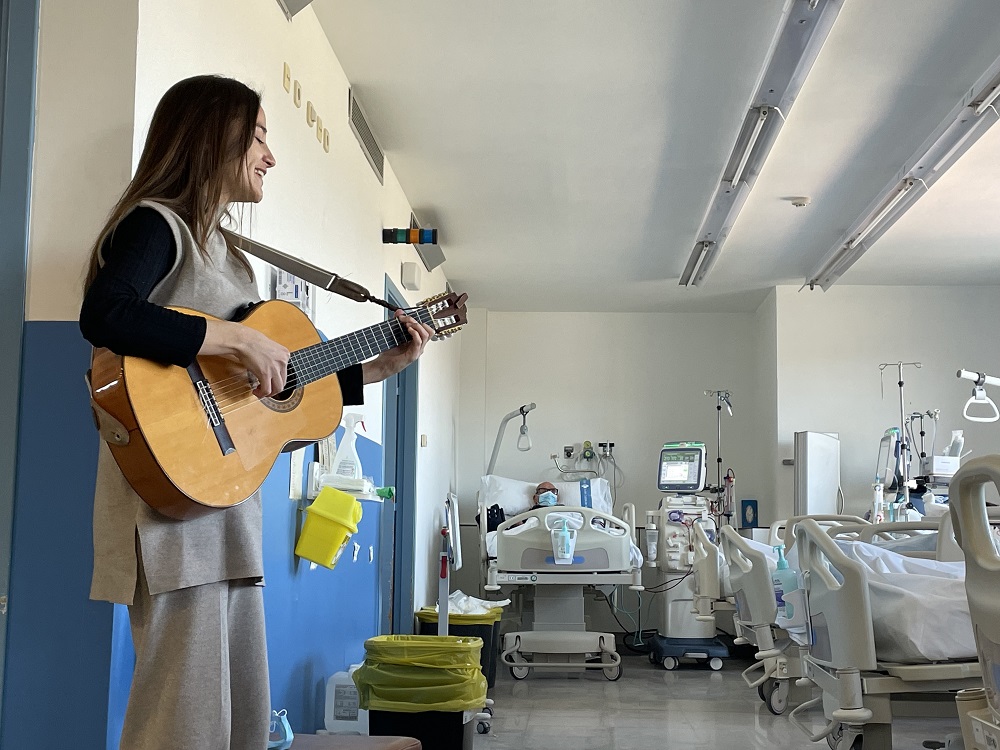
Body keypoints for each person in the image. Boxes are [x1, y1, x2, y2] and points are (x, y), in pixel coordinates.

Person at [78, 75, 435, 750]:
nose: (270, 156)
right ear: (212, 135)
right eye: (261, 135)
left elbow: (264, 406)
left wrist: (375, 370)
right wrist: (237, 336)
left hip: (227, 510)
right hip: (171, 510)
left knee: (236, 713)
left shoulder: (232, 254)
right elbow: (106, 314)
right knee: (182, 714)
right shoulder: (158, 223)